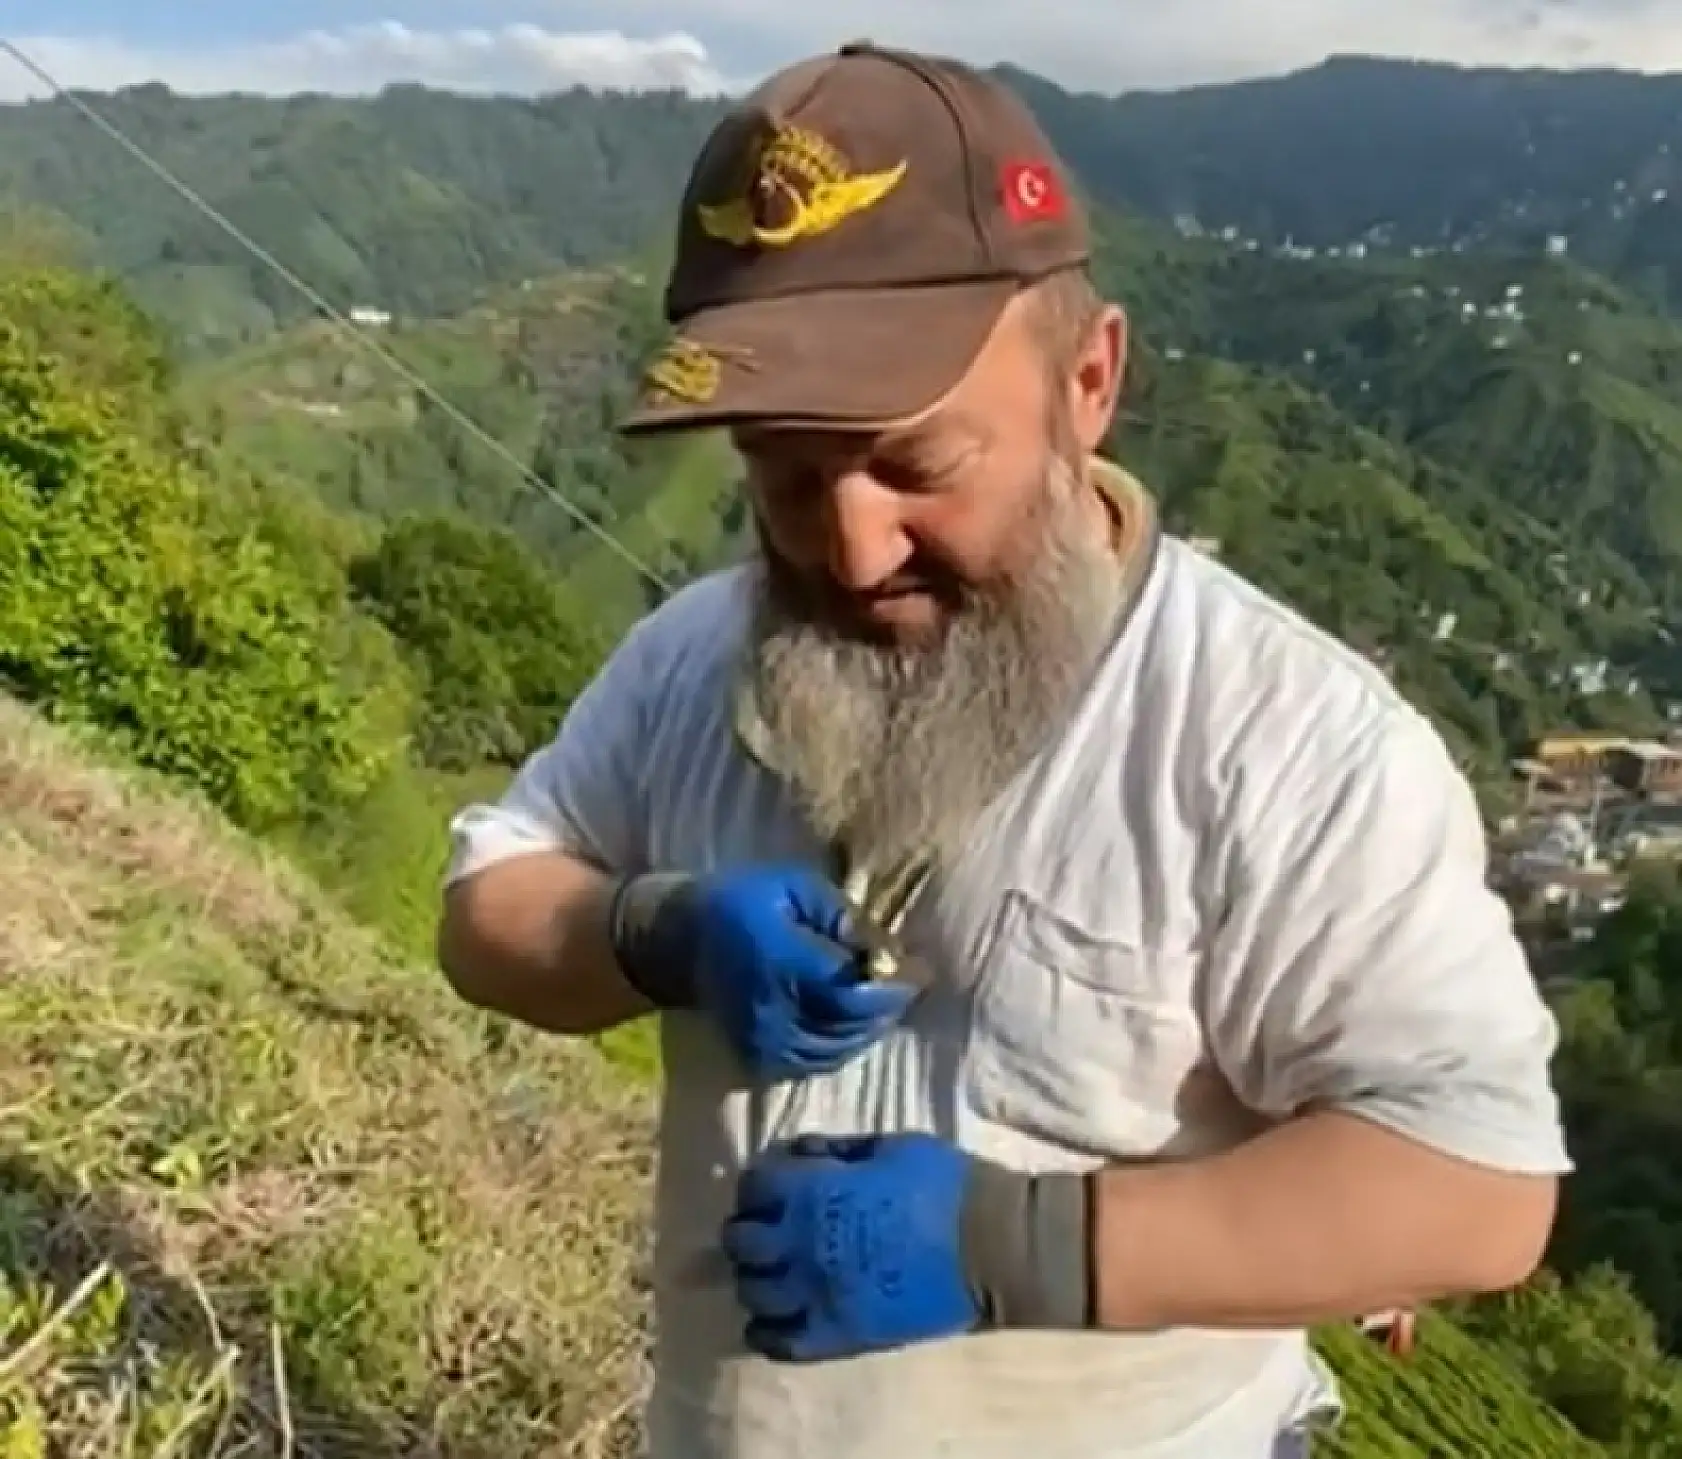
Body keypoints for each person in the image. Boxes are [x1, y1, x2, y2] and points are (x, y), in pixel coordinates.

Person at [436, 39, 1571, 1459]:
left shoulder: (1283, 743)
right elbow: (489, 905)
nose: (849, 547)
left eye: (916, 466)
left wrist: (1015, 1240)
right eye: (784, 473)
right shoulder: (699, 656)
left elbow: (1474, 1185)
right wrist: (648, 929)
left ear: (1087, 383)